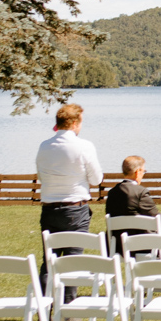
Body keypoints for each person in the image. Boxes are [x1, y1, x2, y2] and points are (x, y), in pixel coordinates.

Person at [36, 103, 103, 302]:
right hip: (75, 209)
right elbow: (96, 179)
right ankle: (68, 311)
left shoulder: (44, 146)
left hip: (49, 209)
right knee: (73, 261)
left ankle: (44, 310)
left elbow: (41, 176)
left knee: (49, 262)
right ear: (74, 123)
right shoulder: (84, 146)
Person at [104, 155, 161, 255]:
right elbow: (157, 222)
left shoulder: (112, 193)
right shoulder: (140, 192)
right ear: (138, 172)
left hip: (118, 246)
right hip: (141, 245)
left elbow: (135, 216)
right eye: (143, 172)